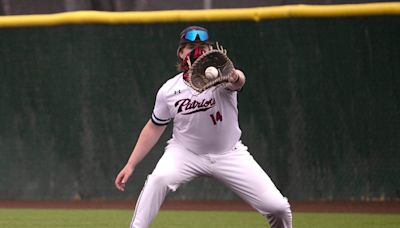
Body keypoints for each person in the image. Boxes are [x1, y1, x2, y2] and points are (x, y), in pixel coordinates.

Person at [115, 25, 292, 228]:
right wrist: (130, 164)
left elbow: (238, 81)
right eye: (191, 46)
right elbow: (154, 127)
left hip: (229, 153)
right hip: (185, 153)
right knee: (158, 179)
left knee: (278, 208)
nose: (197, 50)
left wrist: (234, 76)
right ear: (181, 53)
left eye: (202, 46)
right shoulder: (169, 90)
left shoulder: (222, 78)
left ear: (210, 51)